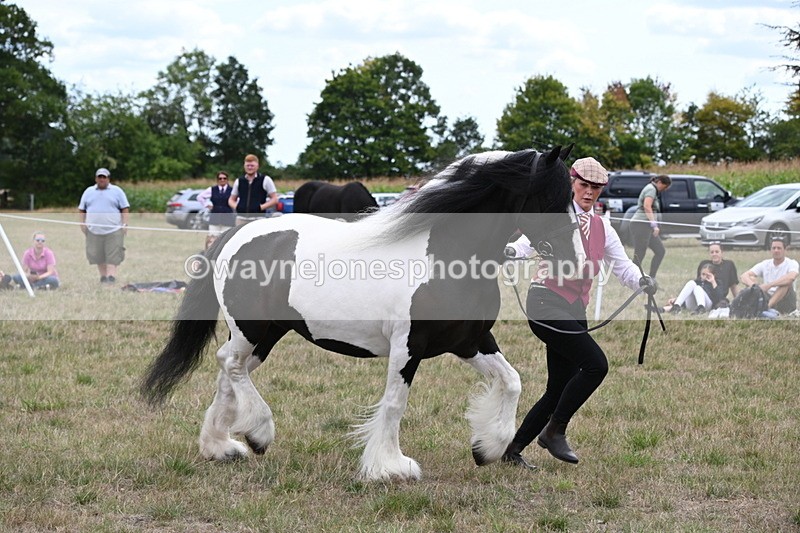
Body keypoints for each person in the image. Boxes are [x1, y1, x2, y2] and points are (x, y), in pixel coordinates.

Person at [501, 157, 654, 470]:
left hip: (575, 307)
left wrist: (641, 280)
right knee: (596, 365)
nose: (589, 192)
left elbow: (622, 265)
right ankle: (555, 431)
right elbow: (524, 246)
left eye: (595, 187)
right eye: (584, 185)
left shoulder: (603, 227)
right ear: (571, 183)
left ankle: (513, 451)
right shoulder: (554, 218)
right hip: (545, 301)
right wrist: (508, 252)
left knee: (558, 387)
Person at [78, 167, 130, 283]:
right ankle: (103, 277)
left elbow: (125, 208)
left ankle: (111, 277)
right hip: (93, 230)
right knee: (97, 254)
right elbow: (82, 210)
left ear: (108, 179)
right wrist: (82, 224)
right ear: (96, 179)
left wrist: (125, 224)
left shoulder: (117, 191)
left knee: (113, 254)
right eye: (99, 177)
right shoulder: (88, 192)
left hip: (114, 230)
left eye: (104, 177)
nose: (102, 179)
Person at [739, 237, 798, 315]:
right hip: (767, 297)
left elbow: (791, 277)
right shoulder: (765, 264)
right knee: (751, 279)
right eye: (774, 248)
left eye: (779, 248)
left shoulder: (792, 263)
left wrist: (769, 285)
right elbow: (744, 276)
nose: (776, 250)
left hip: (786, 300)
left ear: (785, 250)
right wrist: (755, 287)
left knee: (786, 284)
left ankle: (766, 308)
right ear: (770, 250)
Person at [630, 175, 672, 279]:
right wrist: (654, 225)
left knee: (660, 251)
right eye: (665, 187)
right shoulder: (651, 189)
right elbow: (647, 206)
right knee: (640, 253)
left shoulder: (653, 190)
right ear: (660, 182)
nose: (664, 190)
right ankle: (631, 277)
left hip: (646, 225)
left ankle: (652, 278)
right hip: (641, 224)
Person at [228, 154, 278, 225]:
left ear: (257, 166)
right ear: (244, 166)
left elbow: (275, 199)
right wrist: (237, 207)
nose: (249, 167)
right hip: (240, 219)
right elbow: (231, 200)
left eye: (252, 166)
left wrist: (260, 207)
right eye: (247, 165)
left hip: (258, 219)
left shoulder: (265, 180)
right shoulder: (239, 181)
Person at [197, 170, 236, 250]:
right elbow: (200, 197)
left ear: (227, 179)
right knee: (212, 239)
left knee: (226, 240)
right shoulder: (212, 189)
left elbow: (238, 200)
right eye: (220, 178)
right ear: (217, 179)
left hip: (228, 218)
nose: (222, 180)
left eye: (224, 178)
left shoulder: (232, 190)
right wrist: (206, 205)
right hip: (215, 218)